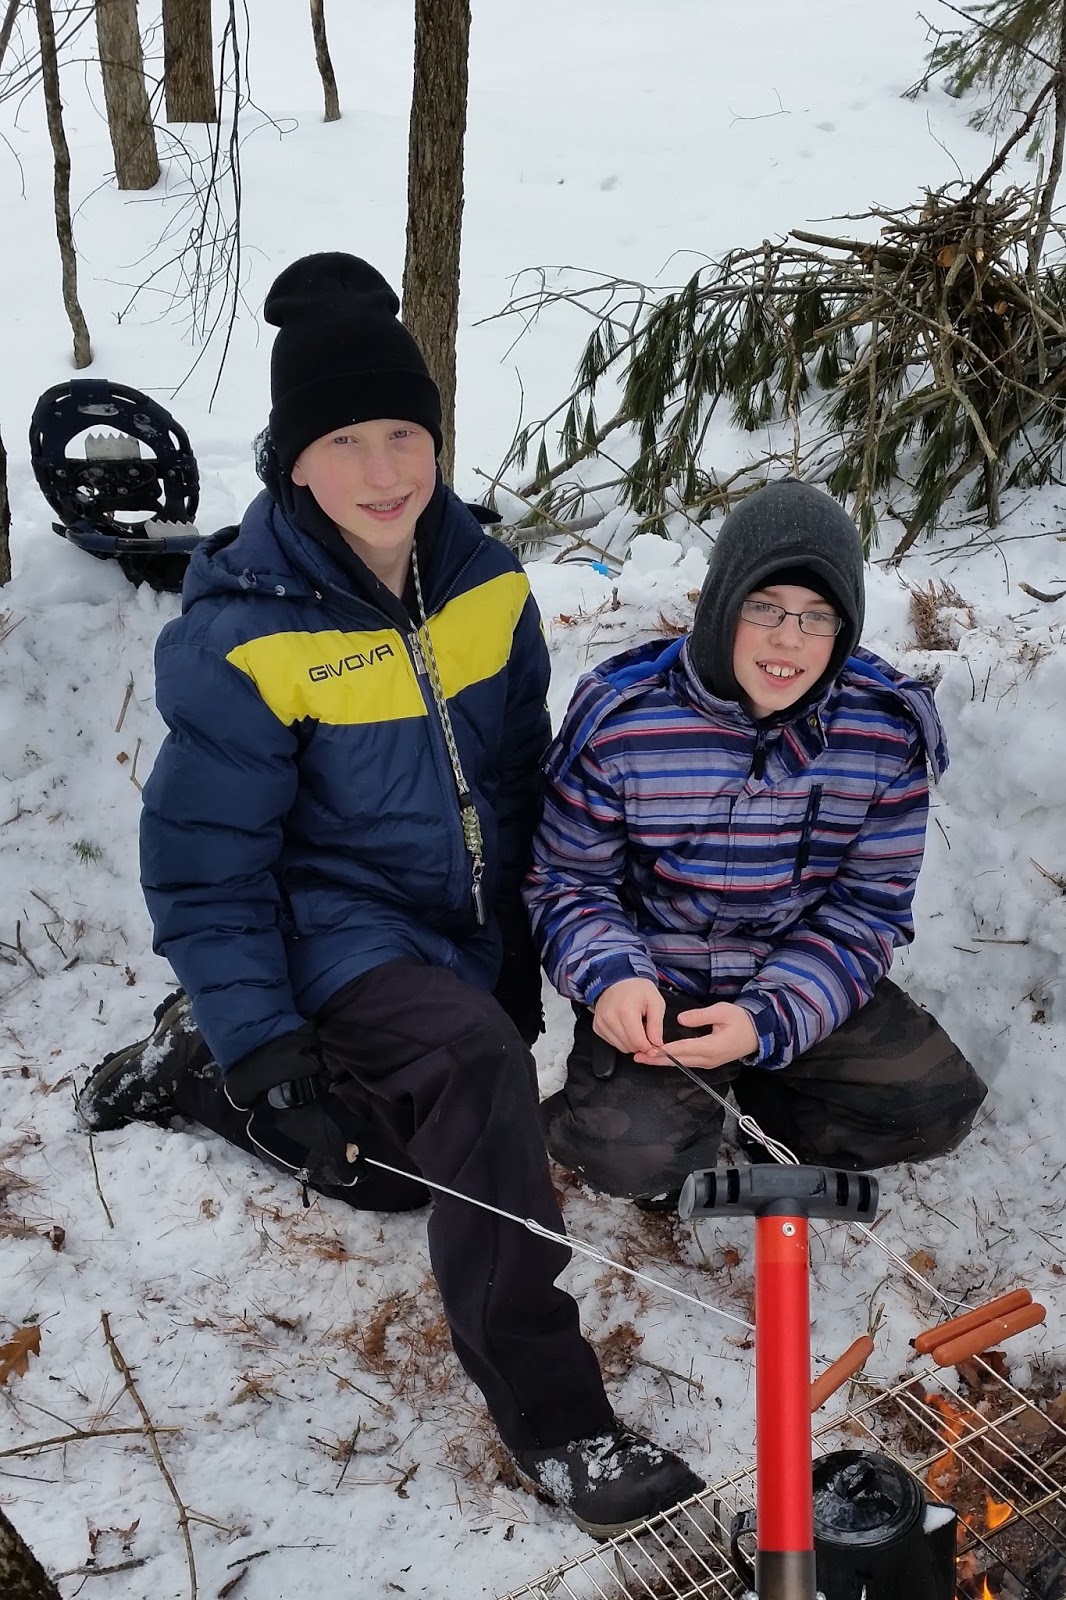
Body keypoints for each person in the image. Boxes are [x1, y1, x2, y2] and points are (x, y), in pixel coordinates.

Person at [79, 252, 704, 1535]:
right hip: (328, 924)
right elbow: (203, 863)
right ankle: (560, 1424)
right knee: (475, 1072)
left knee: (408, 1175)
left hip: (453, 923)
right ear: (291, 463)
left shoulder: (486, 582)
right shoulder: (245, 632)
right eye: (344, 440)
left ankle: (193, 1075)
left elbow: (517, 776)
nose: (382, 469)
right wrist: (267, 1039)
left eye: (404, 433)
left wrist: (528, 946)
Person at [523, 480, 988, 1205]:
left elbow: (867, 909)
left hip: (797, 975)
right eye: (763, 606)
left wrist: (767, 1020)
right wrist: (614, 977)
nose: (788, 639)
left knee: (932, 1107)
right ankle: (654, 1107)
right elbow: (566, 883)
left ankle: (762, 1088)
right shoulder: (624, 721)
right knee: (631, 1162)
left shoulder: (882, 733)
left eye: (817, 616)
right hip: (662, 986)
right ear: (721, 604)